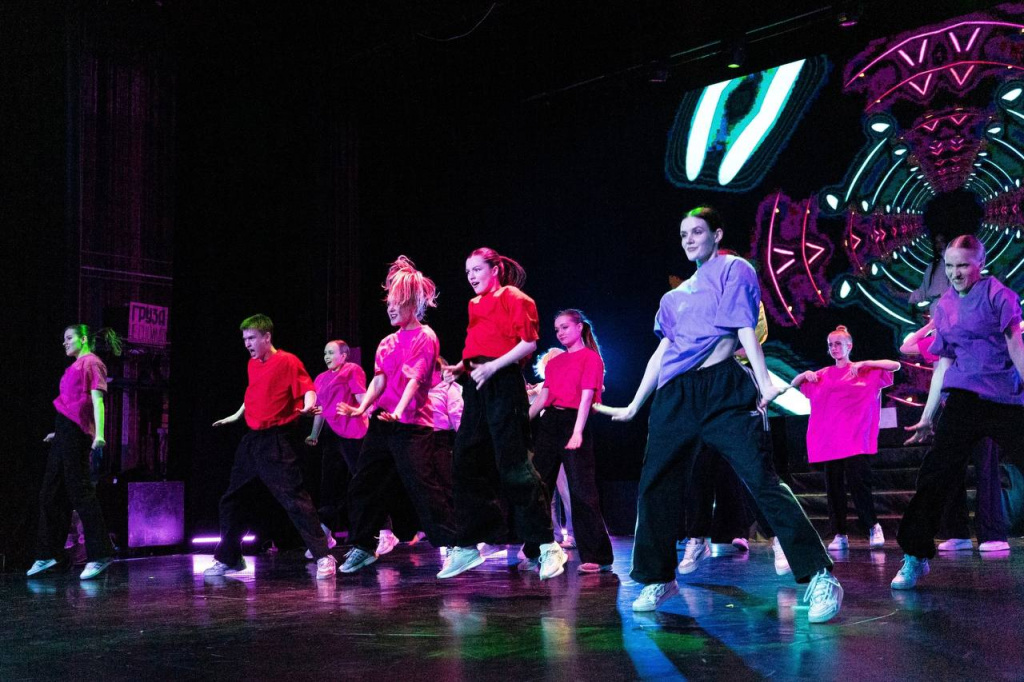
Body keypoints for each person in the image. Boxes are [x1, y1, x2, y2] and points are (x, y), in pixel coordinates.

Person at [595, 206, 842, 624]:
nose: (689, 239)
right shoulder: (673, 297)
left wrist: (763, 382)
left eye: (697, 231)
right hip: (676, 396)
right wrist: (636, 403)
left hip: (722, 388)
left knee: (761, 479)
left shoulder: (734, 269)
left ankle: (820, 575)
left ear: (717, 234)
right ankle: (658, 578)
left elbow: (744, 327)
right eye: (683, 234)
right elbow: (663, 350)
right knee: (655, 486)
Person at [894, 235, 1024, 589]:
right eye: (950, 266)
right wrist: (927, 417)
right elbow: (943, 364)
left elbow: (1016, 345)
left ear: (980, 263)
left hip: (1004, 397)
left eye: (963, 265)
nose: (955, 273)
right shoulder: (944, 306)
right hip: (964, 400)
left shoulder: (998, 294)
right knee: (935, 473)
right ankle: (915, 554)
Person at [437, 247, 568, 580]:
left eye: (477, 269)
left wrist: (493, 366)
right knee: (464, 460)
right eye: (468, 272)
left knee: (514, 465)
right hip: (477, 383)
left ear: (494, 269)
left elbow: (528, 343)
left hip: (504, 382)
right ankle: (469, 544)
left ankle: (547, 545)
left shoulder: (514, 297)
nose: (472, 276)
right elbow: (480, 345)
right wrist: (462, 367)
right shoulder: (474, 304)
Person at [337, 257, 457, 573]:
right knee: (363, 483)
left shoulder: (425, 336)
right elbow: (379, 381)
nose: (390, 309)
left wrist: (400, 411)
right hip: (383, 423)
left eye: (397, 303)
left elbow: (415, 380)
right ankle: (364, 546)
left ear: (412, 304)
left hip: (413, 425)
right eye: (388, 303)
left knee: (423, 487)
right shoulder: (387, 342)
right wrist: (361, 408)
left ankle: (455, 545)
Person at [204, 314, 335, 580]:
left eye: (252, 338)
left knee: (294, 499)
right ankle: (230, 558)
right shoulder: (252, 365)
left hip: (276, 440)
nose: (247, 344)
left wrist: (308, 405)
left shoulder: (288, 361)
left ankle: (324, 555)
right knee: (231, 500)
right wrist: (236, 415)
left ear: (267, 337)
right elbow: (254, 393)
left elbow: (308, 389)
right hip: (251, 441)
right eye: (244, 339)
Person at [900, 323, 1010, 553]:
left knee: (986, 470)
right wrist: (932, 324)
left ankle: (992, 534)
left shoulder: (980, 330)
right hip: (952, 410)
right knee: (950, 471)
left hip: (985, 403)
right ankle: (957, 533)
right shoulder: (943, 335)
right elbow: (908, 348)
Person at [522, 309, 614, 574]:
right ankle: (534, 549)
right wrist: (521, 422)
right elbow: (543, 398)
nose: (560, 333)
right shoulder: (555, 363)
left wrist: (577, 431)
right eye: (557, 329)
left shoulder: (591, 358)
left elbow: (586, 397)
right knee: (538, 487)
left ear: (579, 327)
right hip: (550, 423)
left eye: (564, 327)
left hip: (574, 421)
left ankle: (596, 555)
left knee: (582, 490)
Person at [27, 325, 120, 580]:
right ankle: (51, 554)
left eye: (69, 338)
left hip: (76, 434)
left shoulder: (91, 363)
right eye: (64, 339)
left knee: (80, 492)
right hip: (65, 431)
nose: (65, 342)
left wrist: (99, 434)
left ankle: (100, 554)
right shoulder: (74, 366)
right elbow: (73, 405)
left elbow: (97, 401)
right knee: (50, 493)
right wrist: (59, 433)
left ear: (84, 339)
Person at [791, 325, 897, 550]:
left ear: (849, 346)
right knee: (834, 490)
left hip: (855, 440)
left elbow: (894, 365)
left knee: (860, 485)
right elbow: (794, 384)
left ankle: (873, 526)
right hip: (830, 442)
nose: (834, 348)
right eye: (830, 345)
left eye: (838, 343)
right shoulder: (822, 374)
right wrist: (804, 374)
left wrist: (867, 363)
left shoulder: (863, 370)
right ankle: (840, 534)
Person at [304, 339, 368, 558]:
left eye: (331, 352)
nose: (327, 357)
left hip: (354, 432)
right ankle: (325, 533)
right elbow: (320, 409)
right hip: (332, 435)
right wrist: (314, 434)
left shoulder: (352, 370)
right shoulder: (321, 378)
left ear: (344, 355)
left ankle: (384, 530)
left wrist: (360, 411)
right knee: (329, 485)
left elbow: (362, 398)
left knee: (362, 482)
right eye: (325, 353)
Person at [908, 232, 949, 313]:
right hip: (936, 310)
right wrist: (897, 294)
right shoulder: (932, 267)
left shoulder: (957, 263)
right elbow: (922, 292)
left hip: (952, 309)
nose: (939, 245)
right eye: (937, 242)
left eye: (942, 241)